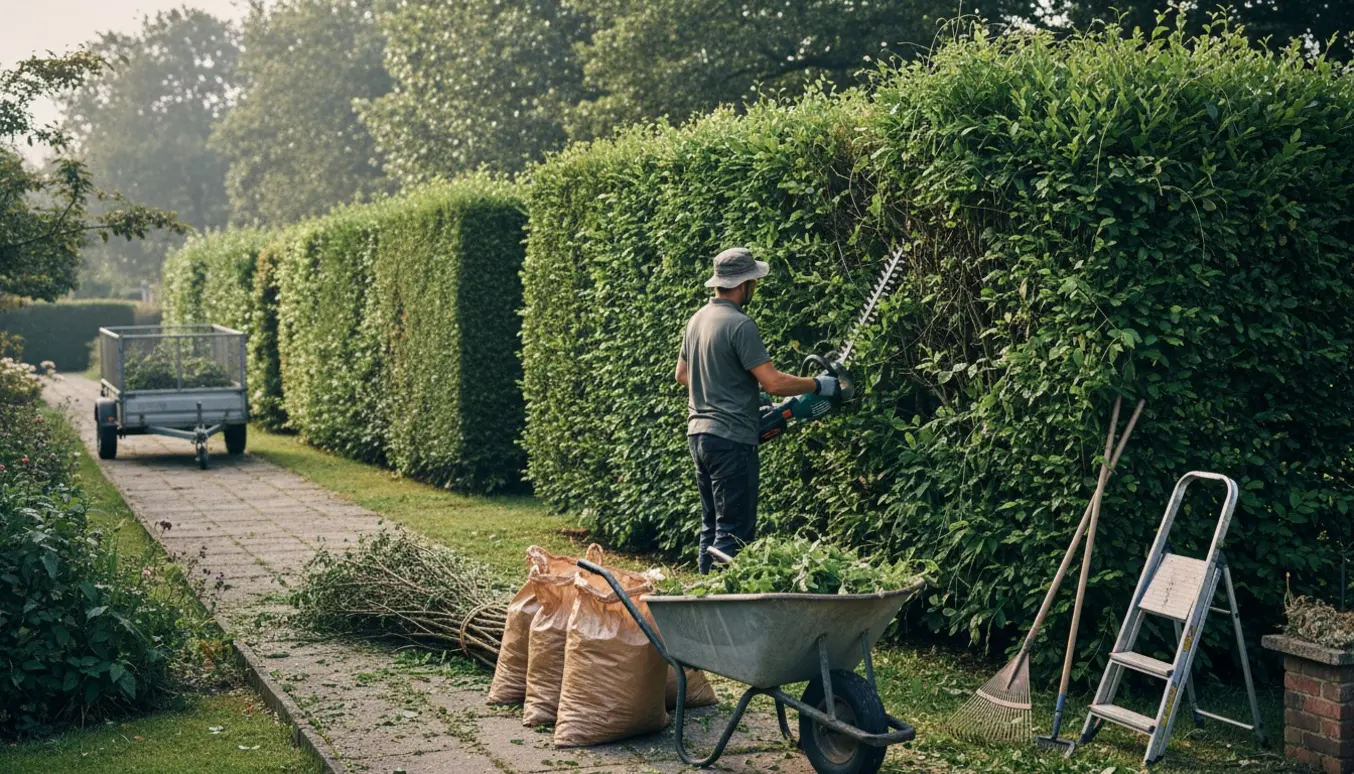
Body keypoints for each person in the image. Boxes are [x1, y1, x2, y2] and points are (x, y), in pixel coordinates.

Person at [675, 247, 839, 573]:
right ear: (743, 284)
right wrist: (819, 385)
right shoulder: (740, 324)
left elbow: (682, 375)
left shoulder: (697, 320)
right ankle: (726, 611)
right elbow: (774, 383)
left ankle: (703, 603)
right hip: (731, 441)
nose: (755, 287)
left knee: (712, 527)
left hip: (699, 437)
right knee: (733, 535)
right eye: (753, 282)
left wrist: (726, 391)